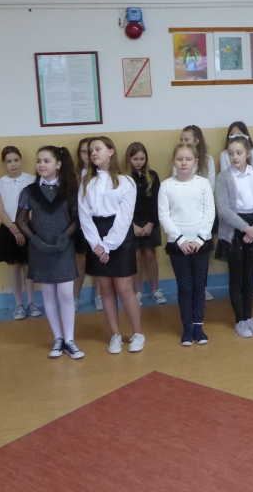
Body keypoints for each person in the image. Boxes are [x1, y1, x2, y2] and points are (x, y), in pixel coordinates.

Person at [15, 146, 83, 359]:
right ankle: (58, 338)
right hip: (40, 248)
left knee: (66, 294)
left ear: (58, 164)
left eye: (46, 161)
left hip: (63, 247)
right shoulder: (30, 191)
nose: (42, 165)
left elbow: (77, 218)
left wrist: (65, 237)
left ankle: (70, 340)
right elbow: (20, 220)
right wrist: (35, 240)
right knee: (48, 293)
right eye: (39, 161)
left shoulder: (70, 189)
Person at [79, 136, 145, 354]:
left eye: (97, 149)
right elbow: (84, 216)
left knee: (124, 288)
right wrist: (97, 245)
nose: (93, 153)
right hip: (95, 236)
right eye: (90, 150)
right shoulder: (86, 182)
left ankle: (137, 333)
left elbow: (125, 218)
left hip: (119, 235)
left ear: (110, 151)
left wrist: (108, 245)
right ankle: (115, 334)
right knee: (106, 289)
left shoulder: (126, 181)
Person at [158, 143, 216, 345]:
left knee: (199, 286)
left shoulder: (203, 184)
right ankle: (187, 328)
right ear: (173, 161)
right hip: (178, 244)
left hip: (201, 243)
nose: (184, 163)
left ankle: (198, 326)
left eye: (188, 159)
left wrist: (200, 238)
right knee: (185, 287)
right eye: (180, 159)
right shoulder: (166, 186)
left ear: (195, 162)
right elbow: (164, 215)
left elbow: (209, 212)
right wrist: (180, 239)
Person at [215, 135, 253, 338]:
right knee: (236, 276)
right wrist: (246, 228)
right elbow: (224, 209)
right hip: (235, 229)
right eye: (231, 153)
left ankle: (248, 316)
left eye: (238, 153)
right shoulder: (224, 177)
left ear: (248, 154)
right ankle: (240, 320)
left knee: (249, 277)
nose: (234, 157)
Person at [0, 145, 41, 320]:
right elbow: (0, 211)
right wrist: (14, 229)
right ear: (4, 163)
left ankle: (31, 303)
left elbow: (34, 207)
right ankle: (19, 305)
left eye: (16, 160)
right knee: (14, 268)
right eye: (9, 161)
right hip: (9, 230)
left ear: (21, 160)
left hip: (27, 227)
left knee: (28, 266)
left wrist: (23, 227)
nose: (13, 164)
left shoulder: (31, 180)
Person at [177, 125, 216, 301]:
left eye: (187, 139)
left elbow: (211, 185)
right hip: (185, 214)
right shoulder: (180, 160)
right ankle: (189, 288)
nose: (183, 142)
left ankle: (202, 286)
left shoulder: (208, 160)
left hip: (203, 212)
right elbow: (178, 183)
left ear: (196, 141)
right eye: (181, 140)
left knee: (201, 251)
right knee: (186, 251)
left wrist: (199, 203)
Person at [126, 142, 165, 305]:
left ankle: (155, 290)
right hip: (131, 223)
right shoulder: (124, 178)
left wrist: (151, 223)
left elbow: (158, 202)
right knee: (135, 256)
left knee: (150, 255)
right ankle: (137, 292)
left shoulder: (153, 176)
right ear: (128, 159)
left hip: (150, 221)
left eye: (142, 159)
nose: (138, 162)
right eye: (135, 159)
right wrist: (132, 225)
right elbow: (122, 205)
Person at [74, 137, 94, 312]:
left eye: (90, 151)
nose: (87, 155)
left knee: (99, 257)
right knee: (80, 259)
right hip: (79, 223)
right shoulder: (74, 174)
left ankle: (100, 295)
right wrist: (79, 220)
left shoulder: (101, 173)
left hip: (98, 223)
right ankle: (75, 297)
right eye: (83, 151)